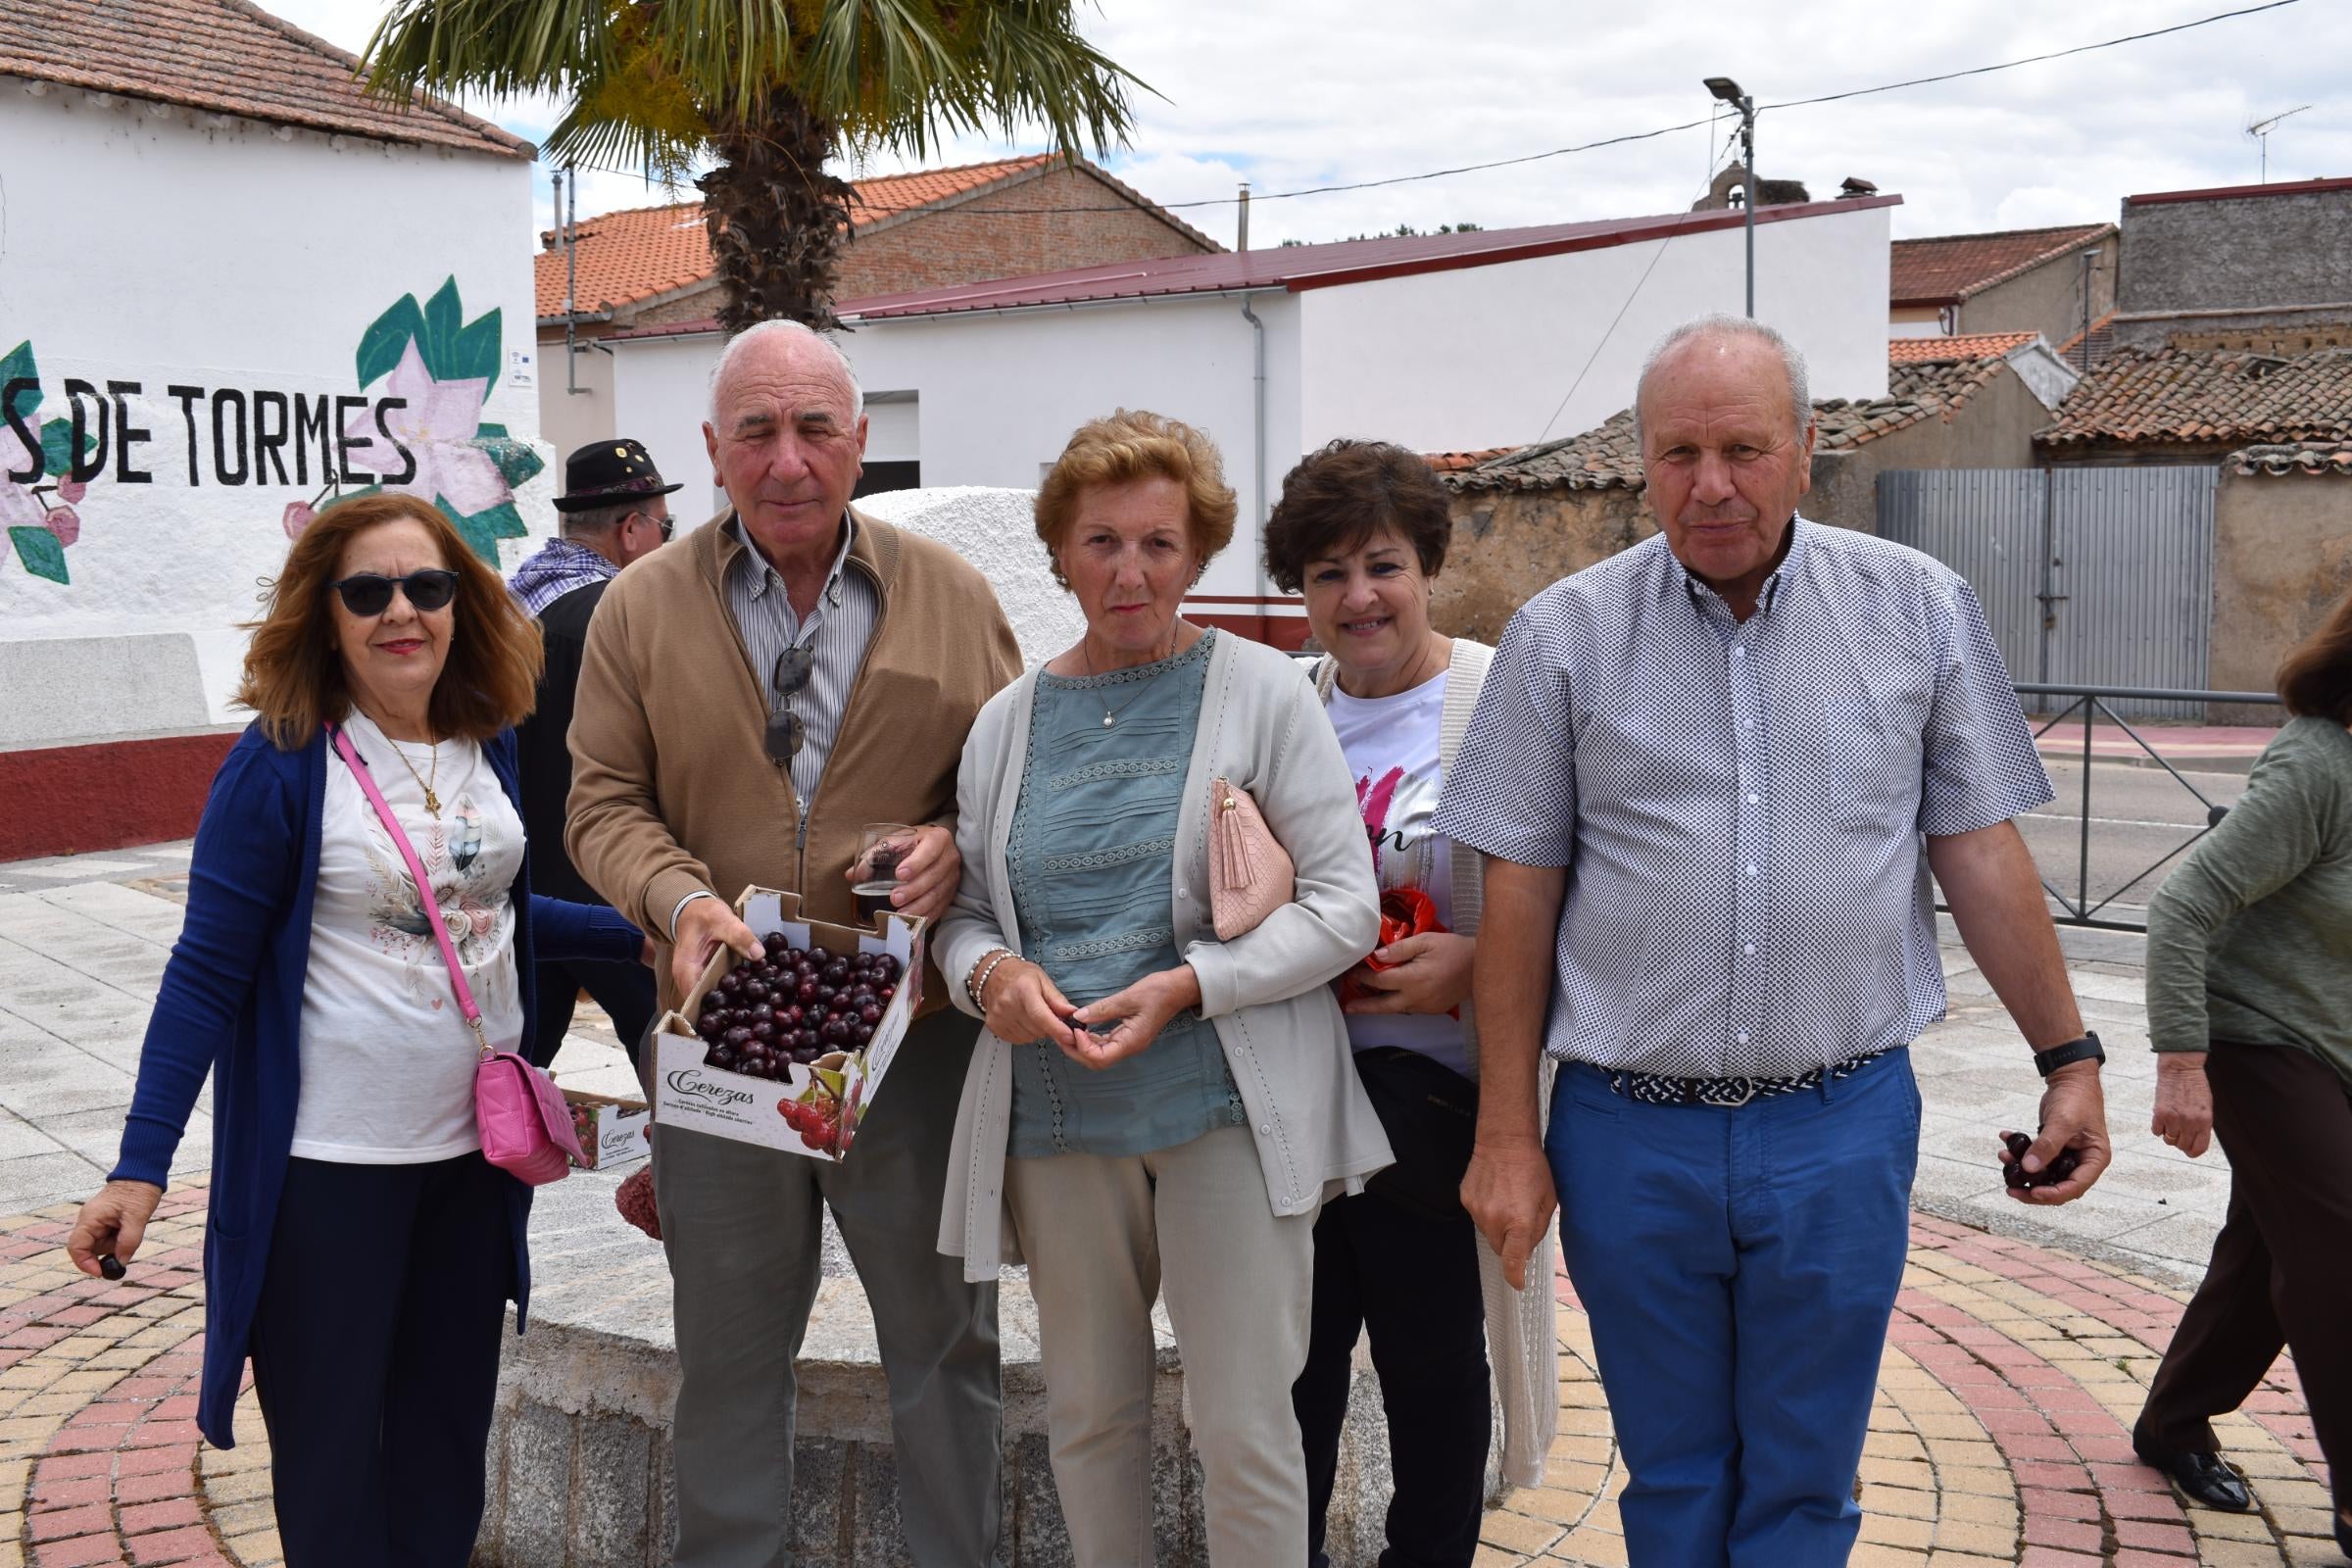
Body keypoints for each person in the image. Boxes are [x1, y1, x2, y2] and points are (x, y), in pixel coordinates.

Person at [1437, 314, 2114, 1566]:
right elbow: (1516, 898)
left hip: (1838, 1125)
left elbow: (1979, 849)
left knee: (1807, 1483)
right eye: (1677, 452)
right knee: (1674, 1481)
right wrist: (1507, 1136)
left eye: (1744, 448)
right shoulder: (1562, 636)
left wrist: (2070, 1056)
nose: (1710, 486)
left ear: (1809, 447)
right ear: (1640, 460)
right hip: (1630, 1132)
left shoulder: (1918, 609)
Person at [64, 493, 649, 1567]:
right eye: (366, 591)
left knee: (443, 1451)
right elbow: (204, 972)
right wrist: (139, 1165)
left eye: (425, 587)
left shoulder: (484, 740)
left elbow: (490, 909)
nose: (400, 612)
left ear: (461, 603)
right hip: (331, 1173)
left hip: (473, 1164)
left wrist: (641, 931)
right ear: (324, 613)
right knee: (333, 1472)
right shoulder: (284, 762)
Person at [564, 318, 1023, 1567]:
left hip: (909, 1045)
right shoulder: (638, 607)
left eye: (816, 427)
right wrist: (675, 899)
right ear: (711, 449)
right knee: (725, 1346)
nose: (788, 459)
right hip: (727, 1036)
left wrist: (951, 845)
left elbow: (1008, 790)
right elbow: (600, 799)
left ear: (861, 441)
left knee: (943, 1341)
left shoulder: (954, 596)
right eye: (756, 430)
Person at [933, 410, 1385, 1565]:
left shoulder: (1264, 694)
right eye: (1101, 542)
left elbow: (1345, 908)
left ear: (1199, 553)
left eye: (1160, 544)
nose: (1129, 572)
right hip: (1059, 1117)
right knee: (1089, 1419)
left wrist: (1190, 985)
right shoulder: (1006, 723)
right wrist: (989, 972)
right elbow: (968, 910)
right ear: (1060, 552)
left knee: (1244, 1426)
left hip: (1225, 1110)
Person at [1262, 438, 1558, 1568]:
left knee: (1435, 1374)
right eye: (1328, 574)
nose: (1359, 597)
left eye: (1381, 565)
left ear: (1427, 563)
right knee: (1292, 1373)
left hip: (1432, 1115)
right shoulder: (1287, 702)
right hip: (1292, 1100)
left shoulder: (1500, 702)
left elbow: (1578, 903)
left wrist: (1476, 964)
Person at [2132, 587, 2352, 1557]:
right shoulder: (2317, 764)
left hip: (2336, 1040)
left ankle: (2172, 1423)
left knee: (2267, 1248)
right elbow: (2183, 905)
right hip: (2261, 1037)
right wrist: (2183, 1061)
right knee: (2341, 1256)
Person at [510, 436, 678, 1066]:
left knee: (520, 1066)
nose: (667, 541)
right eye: (666, 526)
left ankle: (493, 1167)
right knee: (677, 1063)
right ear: (632, 529)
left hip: (531, 893)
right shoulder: (622, 615)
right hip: (610, 889)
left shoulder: (517, 604)